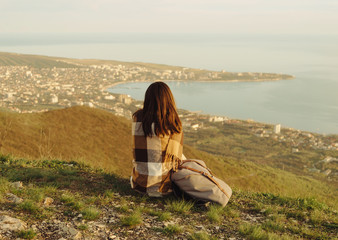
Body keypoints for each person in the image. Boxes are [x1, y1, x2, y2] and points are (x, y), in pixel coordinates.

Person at [131, 81, 184, 197]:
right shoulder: (173, 123)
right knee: (180, 156)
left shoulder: (137, 118)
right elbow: (177, 160)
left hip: (139, 184)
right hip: (163, 189)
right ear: (169, 100)